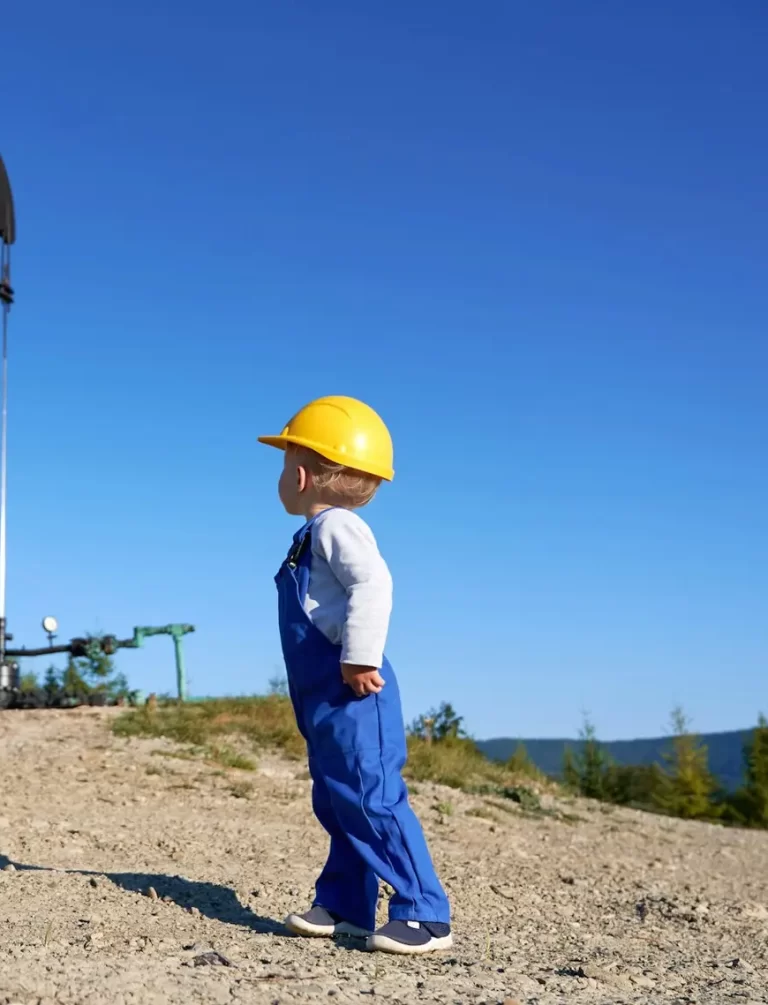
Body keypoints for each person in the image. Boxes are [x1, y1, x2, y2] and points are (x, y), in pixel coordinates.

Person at [259, 395, 452, 955]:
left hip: (352, 688)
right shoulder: (316, 534)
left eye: (283, 463)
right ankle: (347, 902)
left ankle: (424, 913)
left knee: (372, 797)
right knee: (339, 798)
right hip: (324, 698)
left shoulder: (336, 526)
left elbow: (374, 585)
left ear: (299, 473)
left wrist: (360, 656)